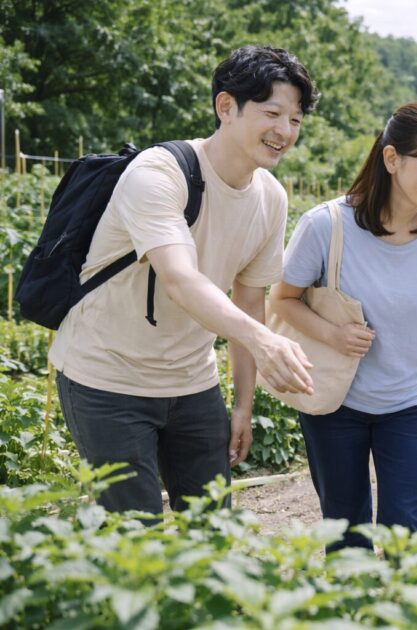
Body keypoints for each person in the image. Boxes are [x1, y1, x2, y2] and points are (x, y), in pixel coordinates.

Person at [50, 45, 318, 518]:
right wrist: (264, 341)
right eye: (273, 112)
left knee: (212, 531)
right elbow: (179, 279)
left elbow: (249, 302)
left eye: (295, 119)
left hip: (192, 383)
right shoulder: (158, 173)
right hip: (107, 378)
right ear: (226, 107)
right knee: (136, 539)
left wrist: (243, 405)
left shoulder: (271, 198)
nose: (284, 131)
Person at [270, 101, 417, 549]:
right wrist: (333, 334)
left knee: (407, 530)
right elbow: (282, 301)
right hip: (335, 404)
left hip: (412, 404)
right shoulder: (326, 225)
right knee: (345, 529)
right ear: (391, 159)